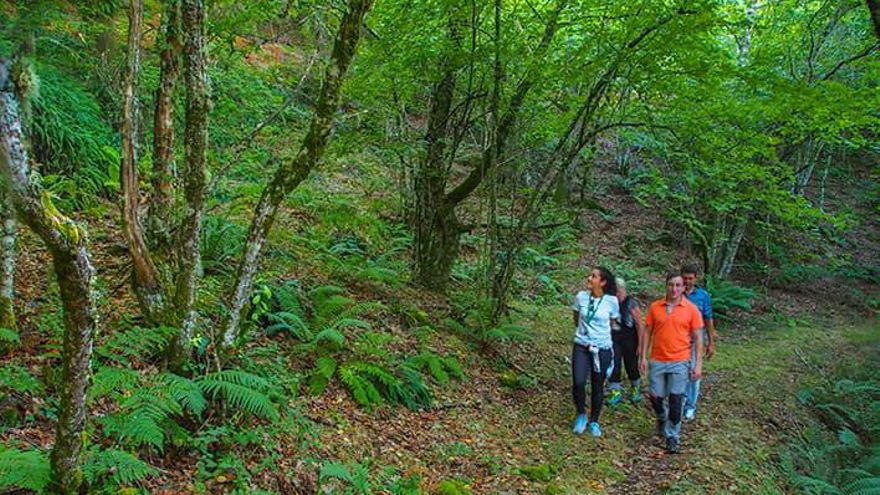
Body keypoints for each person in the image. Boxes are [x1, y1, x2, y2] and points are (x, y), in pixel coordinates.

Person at [640, 272, 703, 453]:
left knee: (676, 400)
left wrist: (697, 364)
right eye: (671, 285)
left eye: (678, 285)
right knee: (655, 397)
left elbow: (698, 338)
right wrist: (642, 357)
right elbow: (647, 332)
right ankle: (661, 416)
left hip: (680, 360)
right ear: (666, 286)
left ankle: (673, 435)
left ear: (684, 288)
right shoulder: (655, 307)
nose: (674, 289)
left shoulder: (691, 309)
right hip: (658, 359)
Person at [571, 267, 620, 437]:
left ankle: (594, 421)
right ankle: (581, 414)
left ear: (603, 282)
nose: (589, 278)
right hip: (582, 345)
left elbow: (613, 322)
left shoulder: (611, 301)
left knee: (597, 385)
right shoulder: (580, 297)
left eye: (594, 276)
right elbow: (576, 318)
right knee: (578, 382)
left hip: (602, 348)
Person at [681, 264, 717, 421]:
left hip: (697, 337)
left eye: (690, 278)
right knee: (680, 371)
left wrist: (711, 341)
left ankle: (690, 406)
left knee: (694, 372)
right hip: (679, 337)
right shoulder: (676, 292)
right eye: (685, 278)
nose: (687, 281)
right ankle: (679, 401)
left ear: (695, 278)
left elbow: (708, 318)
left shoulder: (702, 296)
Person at [607, 277, 644, 405]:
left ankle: (635, 388)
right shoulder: (611, 302)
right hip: (615, 338)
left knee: (631, 365)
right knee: (614, 364)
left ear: (624, 290)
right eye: (614, 291)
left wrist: (640, 344)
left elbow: (639, 324)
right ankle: (615, 391)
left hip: (630, 339)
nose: (617, 294)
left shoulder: (631, 303)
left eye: (619, 291)